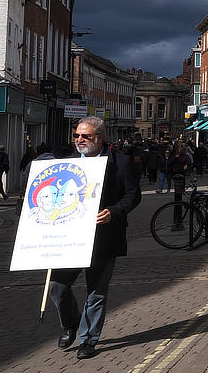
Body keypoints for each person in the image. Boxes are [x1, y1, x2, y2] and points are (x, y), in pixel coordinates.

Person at [48, 116, 142, 359]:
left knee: (96, 292)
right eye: (76, 135)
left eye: (85, 136)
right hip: (69, 237)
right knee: (57, 287)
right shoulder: (65, 162)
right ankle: (70, 323)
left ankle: (88, 339)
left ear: (99, 137)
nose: (79, 140)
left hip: (103, 237)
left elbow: (133, 195)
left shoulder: (120, 162)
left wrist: (114, 211)